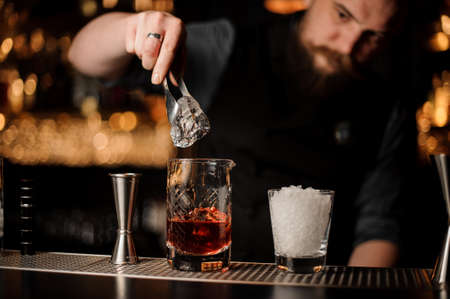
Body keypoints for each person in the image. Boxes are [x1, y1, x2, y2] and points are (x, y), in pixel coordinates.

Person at [68, 0, 413, 267]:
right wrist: (132, 27)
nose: (349, 45)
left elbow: (379, 228)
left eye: (374, 35)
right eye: (342, 15)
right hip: (204, 277)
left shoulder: (388, 104)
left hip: (316, 283)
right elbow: (84, 57)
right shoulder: (228, 45)